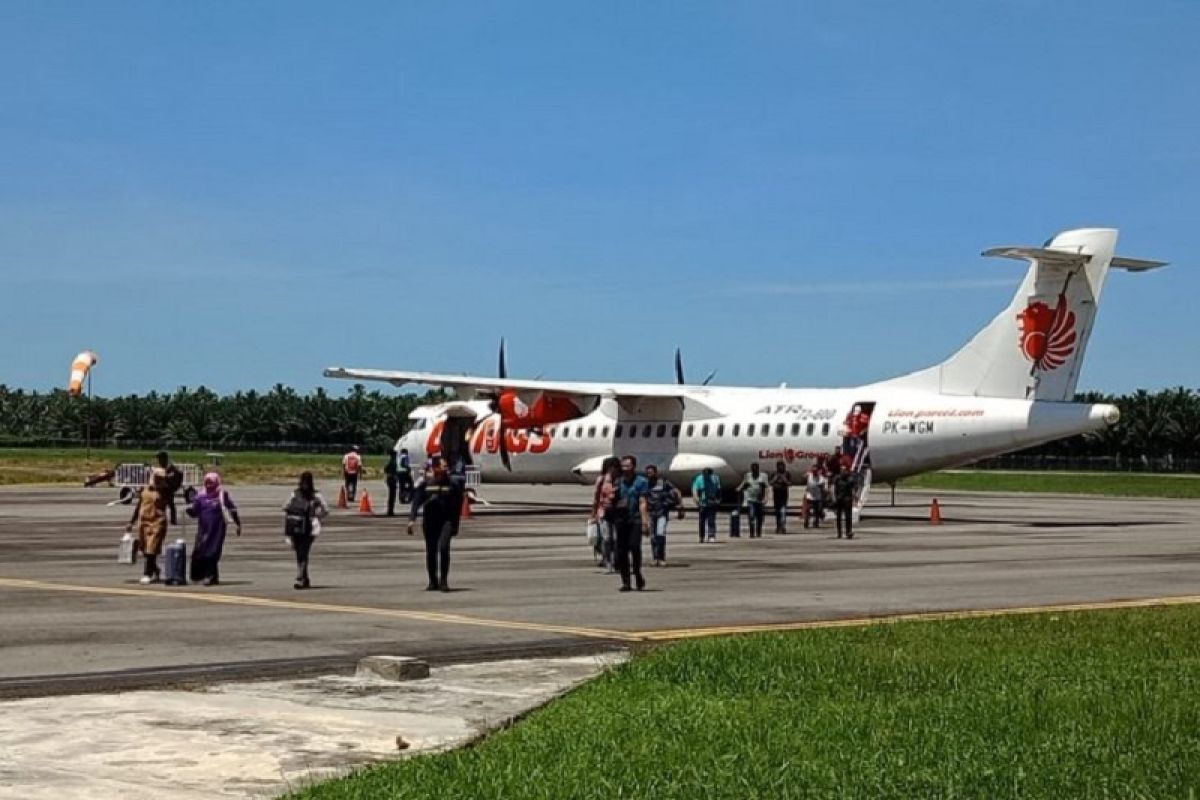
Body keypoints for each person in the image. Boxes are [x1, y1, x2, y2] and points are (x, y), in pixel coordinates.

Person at [416, 456, 464, 591]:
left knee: (443, 548)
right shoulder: (427, 484)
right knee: (431, 551)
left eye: (447, 466)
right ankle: (432, 581)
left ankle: (444, 581)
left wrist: (455, 524)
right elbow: (417, 501)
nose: (446, 468)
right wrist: (412, 519)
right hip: (430, 521)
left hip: (446, 521)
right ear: (435, 468)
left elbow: (457, 505)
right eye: (443, 466)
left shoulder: (453, 485)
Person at [186, 472, 241, 586]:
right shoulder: (201, 496)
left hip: (217, 529)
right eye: (207, 483)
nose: (209, 485)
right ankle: (204, 575)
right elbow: (195, 512)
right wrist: (189, 511)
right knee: (201, 552)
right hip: (204, 529)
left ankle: (211, 576)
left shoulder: (222, 494)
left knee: (212, 552)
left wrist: (238, 524)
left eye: (211, 483)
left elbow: (232, 509)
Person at [283, 472, 330, 590]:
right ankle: (303, 578)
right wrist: (317, 515)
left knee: (301, 554)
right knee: (303, 554)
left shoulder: (295, 494)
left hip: (294, 526)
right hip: (310, 527)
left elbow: (285, 507)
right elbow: (326, 510)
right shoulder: (316, 495)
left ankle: (301, 578)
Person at [612, 455, 650, 591]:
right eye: (623, 466)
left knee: (634, 547)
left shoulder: (641, 482)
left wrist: (645, 522)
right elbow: (612, 500)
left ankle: (637, 572)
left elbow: (643, 502)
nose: (625, 469)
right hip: (621, 520)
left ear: (634, 466)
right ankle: (626, 581)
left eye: (628, 466)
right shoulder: (618, 482)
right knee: (621, 551)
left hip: (635, 519)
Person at [127, 472, 168, 584]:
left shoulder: (164, 491)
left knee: (151, 548)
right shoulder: (145, 490)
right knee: (145, 550)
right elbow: (139, 505)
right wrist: (131, 521)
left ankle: (147, 573)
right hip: (144, 522)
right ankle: (155, 569)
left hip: (157, 522)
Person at [645, 464, 682, 567]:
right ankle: (655, 558)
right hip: (651, 513)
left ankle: (661, 557)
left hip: (662, 512)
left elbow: (676, 491)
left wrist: (680, 506)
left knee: (660, 534)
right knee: (653, 537)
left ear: (656, 473)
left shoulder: (663, 483)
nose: (649, 474)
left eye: (651, 472)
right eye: (647, 473)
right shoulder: (645, 484)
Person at [590, 457, 620, 570]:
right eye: (610, 468)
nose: (612, 470)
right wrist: (593, 514)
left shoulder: (621, 480)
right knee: (607, 538)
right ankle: (607, 560)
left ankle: (617, 561)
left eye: (615, 468)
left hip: (618, 513)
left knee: (617, 539)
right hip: (604, 513)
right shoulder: (601, 480)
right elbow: (596, 498)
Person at [737, 462, 770, 538]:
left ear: (758, 469)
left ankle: (758, 532)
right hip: (750, 499)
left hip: (759, 500)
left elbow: (766, 488)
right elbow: (743, 484)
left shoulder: (763, 476)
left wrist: (766, 498)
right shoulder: (748, 476)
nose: (754, 471)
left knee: (759, 517)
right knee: (751, 515)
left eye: (756, 470)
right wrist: (739, 488)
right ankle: (752, 532)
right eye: (753, 470)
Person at [692, 467, 721, 543]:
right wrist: (697, 500)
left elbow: (718, 489)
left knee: (710, 520)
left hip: (711, 502)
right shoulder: (699, 479)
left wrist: (718, 499)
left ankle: (711, 535)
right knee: (703, 521)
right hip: (703, 502)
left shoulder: (714, 478)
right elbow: (695, 490)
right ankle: (702, 536)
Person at [156, 450, 183, 526]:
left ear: (165, 458)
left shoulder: (170, 467)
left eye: (160, 458)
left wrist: (169, 482)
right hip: (162, 488)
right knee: (162, 505)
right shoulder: (163, 466)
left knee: (170, 504)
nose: (159, 460)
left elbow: (175, 474)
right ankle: (161, 520)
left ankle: (173, 520)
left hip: (168, 489)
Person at [832, 466, 857, 539]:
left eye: (845, 470)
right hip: (839, 499)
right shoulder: (837, 478)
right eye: (842, 470)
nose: (843, 471)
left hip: (847, 499)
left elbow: (854, 489)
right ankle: (839, 532)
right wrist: (833, 497)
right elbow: (833, 487)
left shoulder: (850, 478)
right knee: (838, 517)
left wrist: (854, 497)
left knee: (848, 517)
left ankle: (848, 532)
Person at [769, 461, 792, 534]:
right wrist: (776, 478)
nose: (781, 467)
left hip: (783, 495)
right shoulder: (774, 474)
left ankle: (783, 526)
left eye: (782, 466)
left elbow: (789, 483)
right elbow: (770, 483)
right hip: (776, 495)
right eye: (779, 466)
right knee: (777, 512)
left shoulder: (787, 474)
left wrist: (783, 478)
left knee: (783, 511)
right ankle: (778, 526)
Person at [804, 464, 827, 529]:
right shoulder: (809, 475)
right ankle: (806, 522)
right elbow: (804, 476)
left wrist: (823, 497)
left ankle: (816, 522)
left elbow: (823, 489)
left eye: (816, 471)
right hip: (809, 496)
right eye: (813, 470)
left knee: (817, 511)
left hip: (817, 497)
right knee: (807, 510)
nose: (814, 472)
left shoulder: (821, 478)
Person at [384, 449, 401, 517]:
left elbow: (385, 469)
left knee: (391, 496)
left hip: (390, 479)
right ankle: (390, 511)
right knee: (392, 496)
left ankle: (390, 510)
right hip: (392, 479)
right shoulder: (393, 462)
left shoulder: (390, 462)